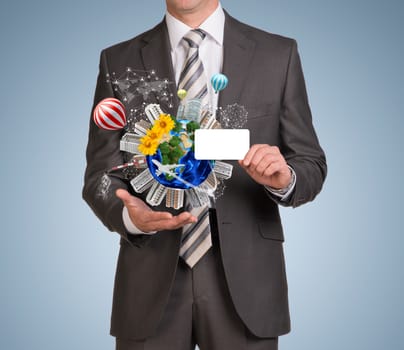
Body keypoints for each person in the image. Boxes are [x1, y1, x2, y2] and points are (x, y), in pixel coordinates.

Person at [82, 1, 327, 349]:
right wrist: (130, 217)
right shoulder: (118, 60)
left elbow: (310, 163)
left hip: (247, 281)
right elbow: (100, 176)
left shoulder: (278, 55)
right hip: (149, 277)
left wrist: (285, 178)